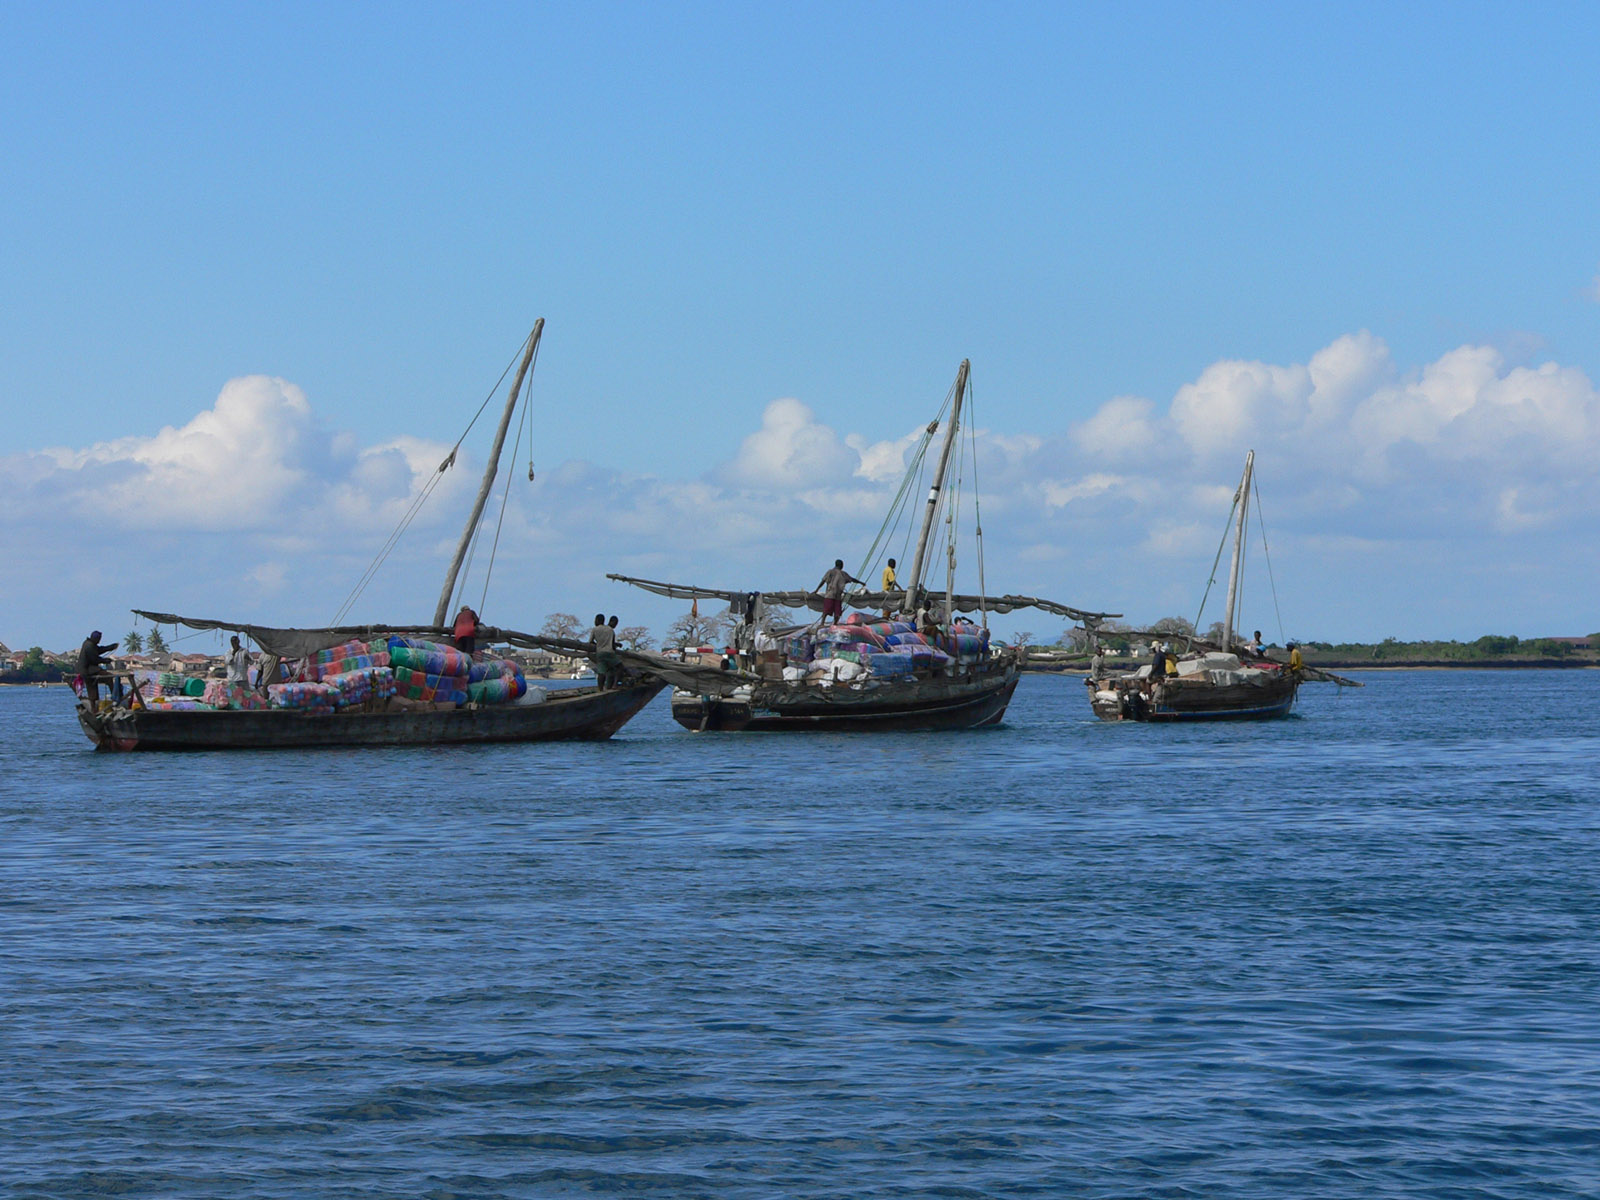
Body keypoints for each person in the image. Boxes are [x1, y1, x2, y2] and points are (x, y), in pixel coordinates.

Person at [77, 630, 118, 707]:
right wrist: (105, 660)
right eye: (99, 639)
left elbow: (98, 650)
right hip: (87, 670)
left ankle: (96, 707)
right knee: (108, 677)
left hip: (90, 669)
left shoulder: (90, 644)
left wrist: (110, 647)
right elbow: (95, 659)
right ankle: (115, 697)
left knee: (94, 690)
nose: (99, 641)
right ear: (95, 638)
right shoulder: (89, 646)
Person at [815, 559, 859, 624]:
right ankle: (823, 623)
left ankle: (833, 624)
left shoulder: (840, 573)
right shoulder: (833, 572)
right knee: (829, 611)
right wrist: (861, 583)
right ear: (841, 565)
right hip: (832, 595)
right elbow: (852, 579)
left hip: (835, 595)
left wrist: (817, 590)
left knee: (835, 611)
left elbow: (823, 581)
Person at [589, 613, 620, 689]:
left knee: (601, 673)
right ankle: (615, 685)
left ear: (597, 621)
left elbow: (590, 642)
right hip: (610, 653)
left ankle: (600, 689)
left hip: (600, 653)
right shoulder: (610, 630)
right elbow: (612, 645)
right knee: (619, 667)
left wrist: (598, 645)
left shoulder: (594, 629)